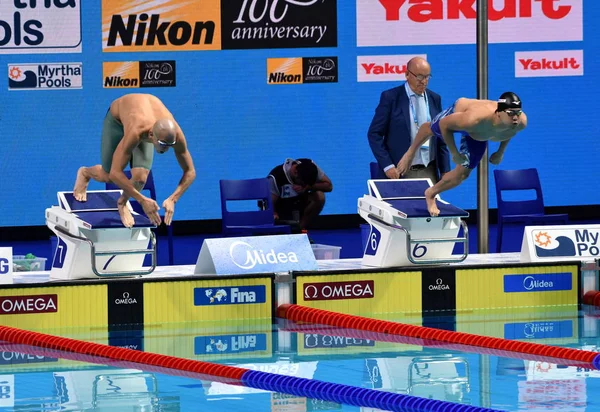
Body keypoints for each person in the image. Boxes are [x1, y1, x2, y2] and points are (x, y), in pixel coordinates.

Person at [73, 93, 196, 228]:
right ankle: (85, 173)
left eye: (169, 146)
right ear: (151, 135)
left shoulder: (176, 135)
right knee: (108, 176)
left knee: (141, 178)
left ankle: (122, 203)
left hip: (147, 118)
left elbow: (190, 171)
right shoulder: (137, 131)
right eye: (162, 144)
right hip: (117, 121)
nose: (165, 150)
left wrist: (173, 199)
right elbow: (116, 172)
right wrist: (142, 200)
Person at [397, 92, 528, 217]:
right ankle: (410, 152)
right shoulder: (473, 118)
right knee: (430, 129)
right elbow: (445, 125)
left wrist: (500, 152)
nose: (515, 117)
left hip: (478, 136)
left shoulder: (520, 123)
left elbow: (509, 132)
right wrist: (454, 153)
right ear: (498, 113)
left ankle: (430, 193)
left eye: (518, 112)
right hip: (463, 114)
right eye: (511, 113)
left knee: (463, 174)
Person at [367, 56, 450, 183]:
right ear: (407, 74)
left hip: (429, 171)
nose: (424, 81)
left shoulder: (435, 98)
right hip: (400, 170)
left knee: (429, 204)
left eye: (427, 77)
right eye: (420, 76)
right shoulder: (391, 98)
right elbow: (374, 134)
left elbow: (441, 136)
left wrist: (445, 170)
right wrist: (387, 166)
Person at [267, 158, 333, 231]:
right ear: (295, 173)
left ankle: (299, 229)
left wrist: (308, 187)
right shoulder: (276, 177)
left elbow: (329, 186)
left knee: (319, 196)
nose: (304, 185)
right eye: (302, 183)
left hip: (300, 202)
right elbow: (270, 204)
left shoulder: (310, 166)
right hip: (282, 207)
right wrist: (274, 214)